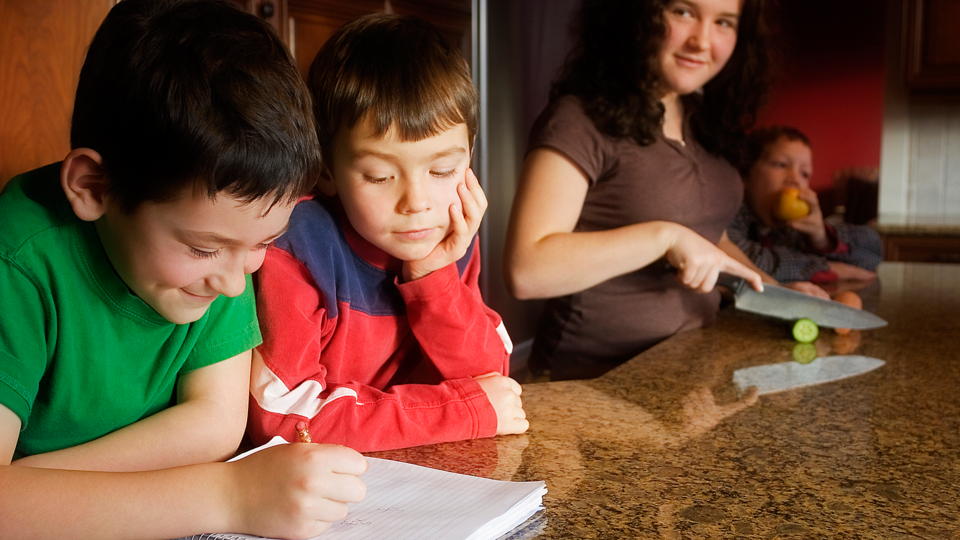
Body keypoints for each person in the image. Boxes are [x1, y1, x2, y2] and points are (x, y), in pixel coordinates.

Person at [0, 1, 366, 538]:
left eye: (263, 243)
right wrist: (228, 496)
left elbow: (215, 425)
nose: (235, 284)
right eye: (201, 248)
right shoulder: (18, 257)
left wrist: (25, 486)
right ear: (93, 187)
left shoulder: (225, 253)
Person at [248, 14, 528, 453]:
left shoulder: (446, 232)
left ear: (468, 156)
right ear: (325, 170)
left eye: (443, 169)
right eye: (379, 176)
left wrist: (434, 276)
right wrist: (458, 412)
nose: (416, 202)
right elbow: (283, 420)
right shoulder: (297, 245)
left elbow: (491, 377)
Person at [504, 0, 772, 380]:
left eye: (724, 22)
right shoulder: (579, 120)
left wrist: (780, 295)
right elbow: (527, 270)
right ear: (638, 15)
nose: (702, 40)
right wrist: (664, 238)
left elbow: (710, 239)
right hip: (591, 387)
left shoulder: (705, 123)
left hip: (688, 374)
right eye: (683, 12)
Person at [728, 125, 883, 284]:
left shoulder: (791, 227)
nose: (795, 179)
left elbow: (873, 255)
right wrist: (821, 268)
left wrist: (822, 238)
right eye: (781, 164)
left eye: (805, 174)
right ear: (746, 173)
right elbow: (736, 256)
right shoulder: (728, 210)